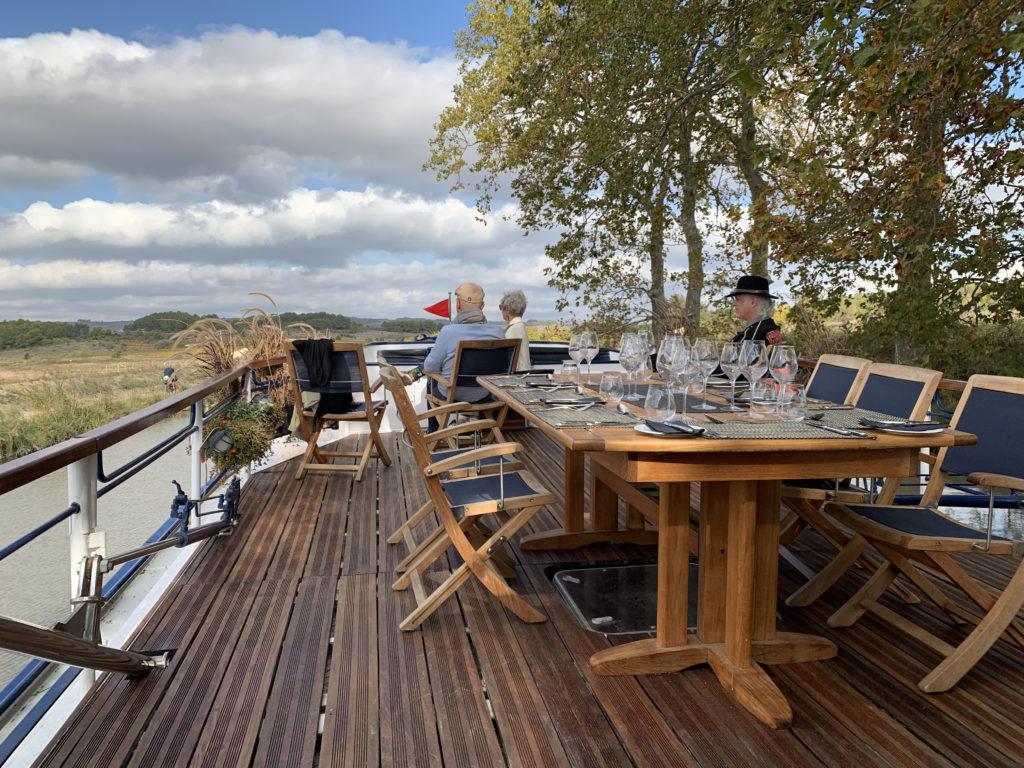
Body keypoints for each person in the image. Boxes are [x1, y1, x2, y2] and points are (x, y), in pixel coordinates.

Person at [421, 282, 504, 431]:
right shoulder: (498, 333)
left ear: (458, 305)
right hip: (485, 394)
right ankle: (484, 432)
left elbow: (429, 367)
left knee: (431, 379)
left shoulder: (448, 332)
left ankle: (433, 433)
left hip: (452, 397)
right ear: (482, 306)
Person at [725, 275, 784, 345]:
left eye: (738, 299)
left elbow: (740, 356)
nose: (734, 304)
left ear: (753, 302)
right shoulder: (769, 327)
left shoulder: (754, 334)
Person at [499, 289, 532, 371]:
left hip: (516, 378)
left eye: (501, 307)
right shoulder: (521, 327)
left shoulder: (512, 330)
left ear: (506, 309)